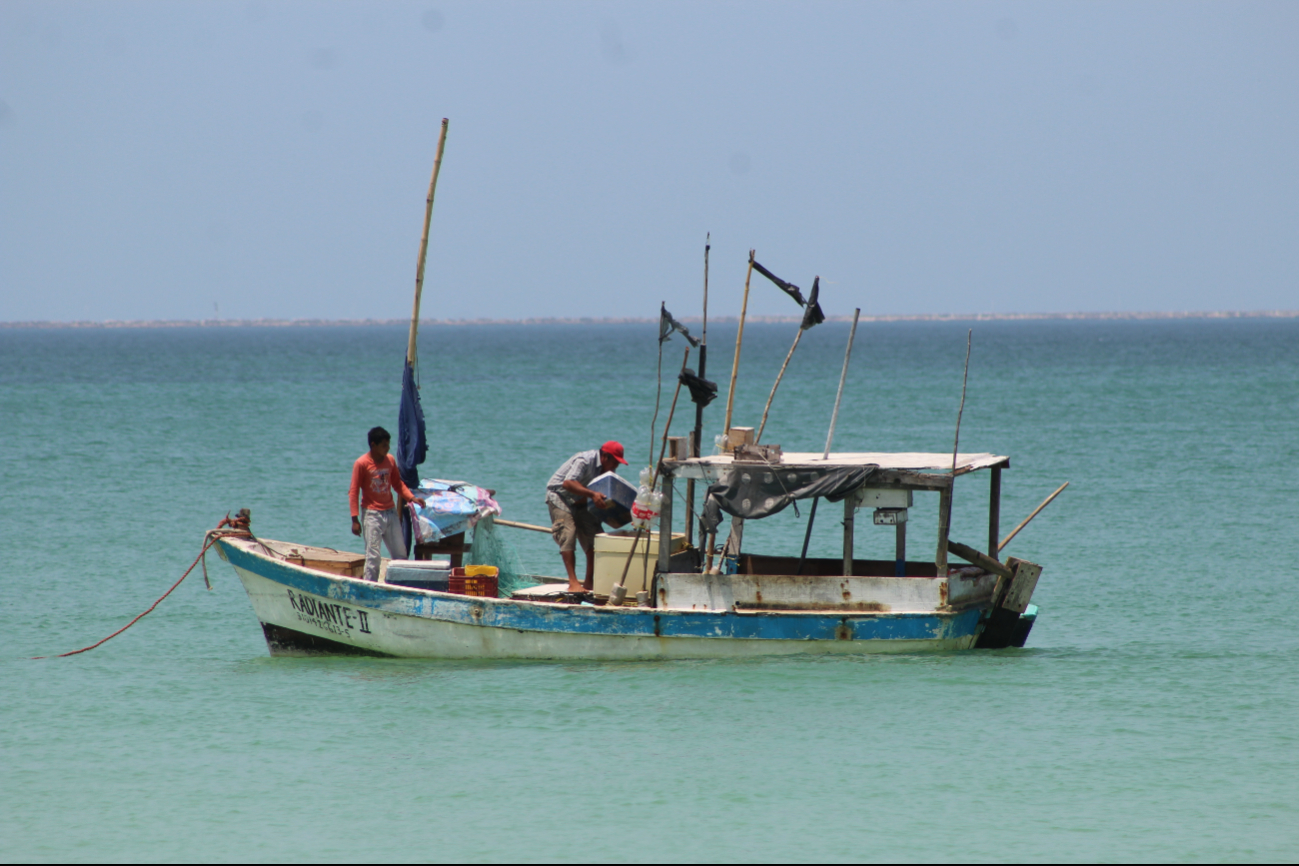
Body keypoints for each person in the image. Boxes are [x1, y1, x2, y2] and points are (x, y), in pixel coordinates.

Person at [546, 441, 627, 592]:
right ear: (605, 457)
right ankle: (573, 583)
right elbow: (568, 484)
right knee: (568, 533)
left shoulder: (608, 472)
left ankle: (589, 582)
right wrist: (593, 494)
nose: (616, 467)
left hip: (582, 500)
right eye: (615, 462)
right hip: (560, 496)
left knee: (595, 538)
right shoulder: (584, 460)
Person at [350, 426, 426, 582]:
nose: (388, 448)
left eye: (388, 444)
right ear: (373, 445)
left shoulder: (390, 460)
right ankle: (369, 588)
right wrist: (355, 519)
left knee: (400, 555)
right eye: (384, 445)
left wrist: (412, 498)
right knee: (373, 558)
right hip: (372, 515)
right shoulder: (362, 463)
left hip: (390, 513)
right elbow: (354, 491)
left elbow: (397, 484)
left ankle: (401, 586)